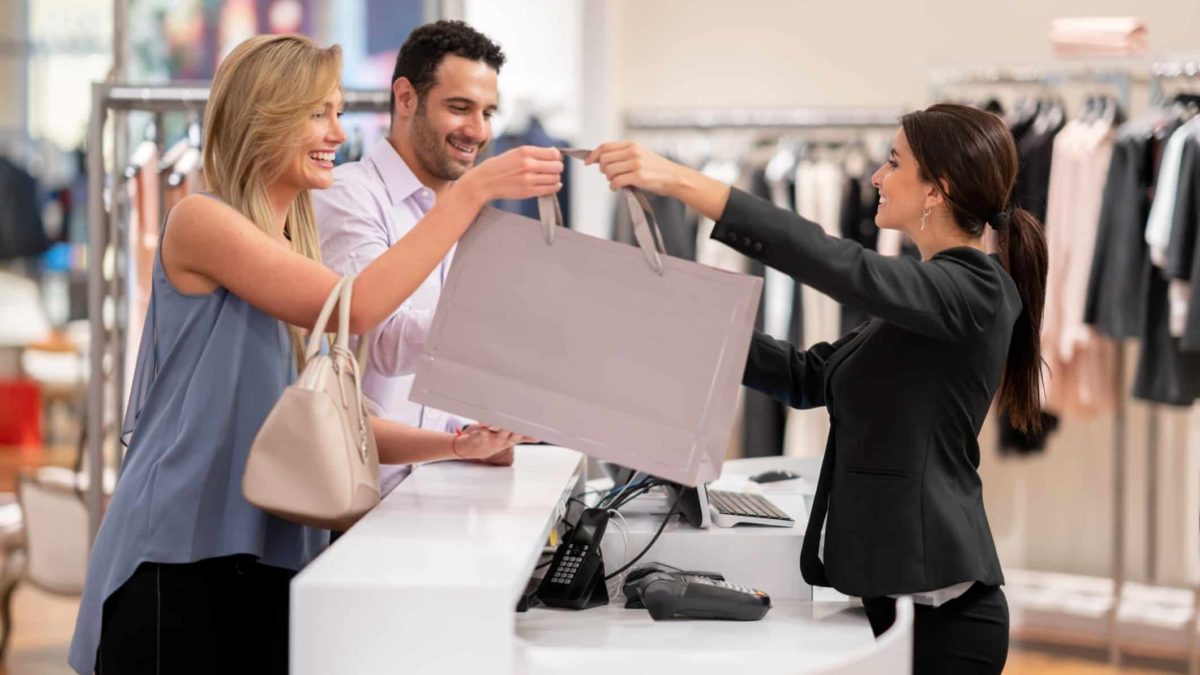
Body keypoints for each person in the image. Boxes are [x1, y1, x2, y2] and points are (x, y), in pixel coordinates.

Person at [69, 34, 562, 675]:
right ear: (262, 118)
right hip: (182, 551)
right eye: (317, 114)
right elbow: (360, 308)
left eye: (335, 112)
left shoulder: (295, 242)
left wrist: (457, 445)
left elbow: (332, 422)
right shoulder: (202, 221)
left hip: (272, 551)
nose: (336, 131)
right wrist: (469, 195)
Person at [588, 103, 1048, 674]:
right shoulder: (927, 299)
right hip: (897, 601)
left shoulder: (975, 291)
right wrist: (687, 318)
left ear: (938, 189)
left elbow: (839, 264)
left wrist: (681, 182)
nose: (877, 177)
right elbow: (807, 377)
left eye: (893, 162)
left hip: (946, 619)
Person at [313, 20, 519, 495]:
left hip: (436, 490)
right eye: (460, 108)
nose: (479, 130)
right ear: (405, 98)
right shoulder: (348, 197)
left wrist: (482, 434)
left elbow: (442, 380)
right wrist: (496, 326)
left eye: (488, 112)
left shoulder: (464, 214)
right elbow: (380, 342)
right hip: (360, 501)